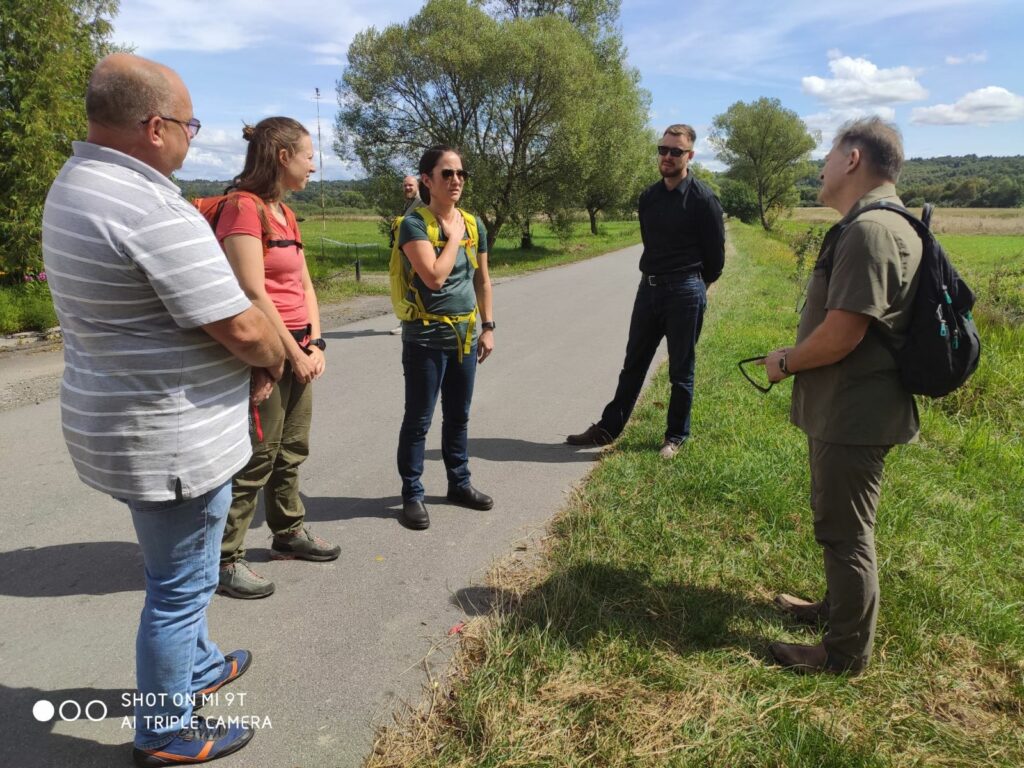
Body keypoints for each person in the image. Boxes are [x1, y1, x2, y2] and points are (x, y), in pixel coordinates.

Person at [42, 53, 285, 766]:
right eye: (189, 125)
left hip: (123, 421)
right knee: (178, 589)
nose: (191, 137)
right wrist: (274, 357)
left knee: (185, 567)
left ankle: (200, 664)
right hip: (171, 437)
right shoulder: (149, 205)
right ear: (155, 127)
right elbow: (241, 324)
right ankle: (167, 729)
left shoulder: (77, 183)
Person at [760, 117, 922, 675]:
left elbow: (843, 332)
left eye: (828, 154)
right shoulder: (873, 224)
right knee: (840, 523)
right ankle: (837, 610)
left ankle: (845, 653)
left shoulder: (872, 231)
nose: (821, 166)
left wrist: (784, 361)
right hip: (850, 406)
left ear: (853, 159)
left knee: (846, 530)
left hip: (855, 412)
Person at [215, 117, 341, 599]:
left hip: (298, 352)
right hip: (267, 352)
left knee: (291, 449)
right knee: (257, 457)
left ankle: (288, 533)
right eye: (309, 155)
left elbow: (303, 284)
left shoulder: (284, 213)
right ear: (283, 157)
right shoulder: (243, 209)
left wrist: (316, 344)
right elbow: (250, 291)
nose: (315, 165)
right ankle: (225, 557)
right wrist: (287, 353)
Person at [566, 124, 725, 458]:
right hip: (649, 290)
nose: (667, 156)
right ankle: (608, 429)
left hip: (685, 291)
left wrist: (696, 288)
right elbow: (651, 246)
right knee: (633, 364)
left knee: (681, 369)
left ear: (689, 156)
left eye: (675, 152)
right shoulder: (649, 198)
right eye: (663, 149)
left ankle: (675, 436)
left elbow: (716, 259)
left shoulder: (704, 199)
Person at [396, 146, 495, 530]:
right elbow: (434, 277)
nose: (456, 180)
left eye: (460, 174)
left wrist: (489, 326)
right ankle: (412, 494)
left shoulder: (474, 224)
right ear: (426, 179)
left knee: (459, 416)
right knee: (418, 419)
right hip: (425, 338)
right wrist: (452, 237)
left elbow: (482, 279)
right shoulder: (415, 224)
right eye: (447, 173)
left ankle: (459, 483)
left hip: (466, 337)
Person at [391, 175, 424, 335]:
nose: (407, 188)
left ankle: (408, 322)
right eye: (405, 186)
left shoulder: (422, 203)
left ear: (417, 186)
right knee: (406, 285)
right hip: (405, 253)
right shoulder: (408, 203)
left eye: (410, 185)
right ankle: (408, 320)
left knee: (413, 286)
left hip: (416, 253)